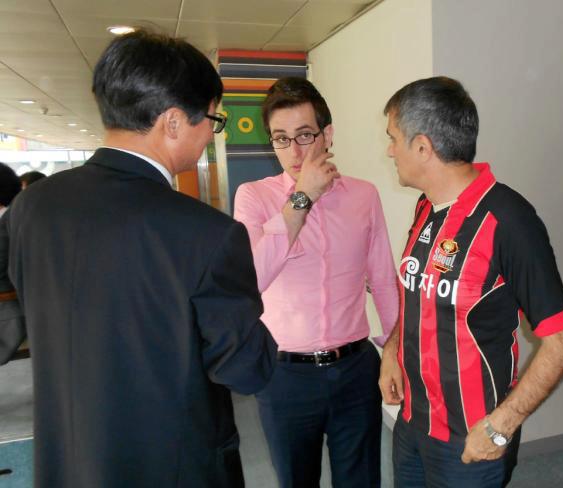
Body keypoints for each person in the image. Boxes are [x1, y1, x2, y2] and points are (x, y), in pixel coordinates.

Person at [0, 29, 276, 488]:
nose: (211, 133)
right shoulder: (207, 234)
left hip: (67, 462)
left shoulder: (31, 208)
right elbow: (247, 369)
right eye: (213, 119)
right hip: (172, 467)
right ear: (174, 122)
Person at [379, 76, 563, 487]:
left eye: (393, 138)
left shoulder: (509, 220)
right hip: (412, 425)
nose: (389, 150)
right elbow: (419, 294)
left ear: (423, 147)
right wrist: (392, 352)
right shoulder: (425, 207)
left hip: (470, 440)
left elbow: (562, 342)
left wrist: (503, 424)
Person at [234, 77, 399, 488]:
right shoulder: (253, 197)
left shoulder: (364, 195)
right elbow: (253, 278)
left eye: (305, 135)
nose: (294, 151)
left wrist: (396, 352)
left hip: (356, 369)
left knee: (361, 481)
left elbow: (383, 278)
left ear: (328, 134)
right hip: (285, 375)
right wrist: (301, 199)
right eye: (281, 138)